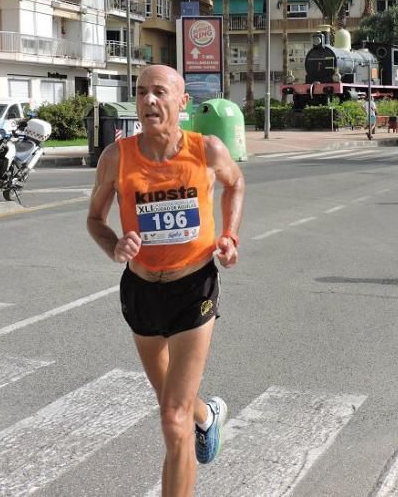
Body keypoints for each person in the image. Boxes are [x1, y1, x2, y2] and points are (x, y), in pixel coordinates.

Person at [86, 65, 245, 496]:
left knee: (172, 418)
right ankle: (208, 416)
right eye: (141, 93)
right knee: (174, 405)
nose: (149, 101)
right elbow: (95, 220)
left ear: (182, 102)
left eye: (160, 92)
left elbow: (236, 184)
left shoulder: (206, 150)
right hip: (140, 292)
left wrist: (229, 236)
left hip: (194, 288)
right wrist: (115, 246)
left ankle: (196, 422)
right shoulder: (116, 158)